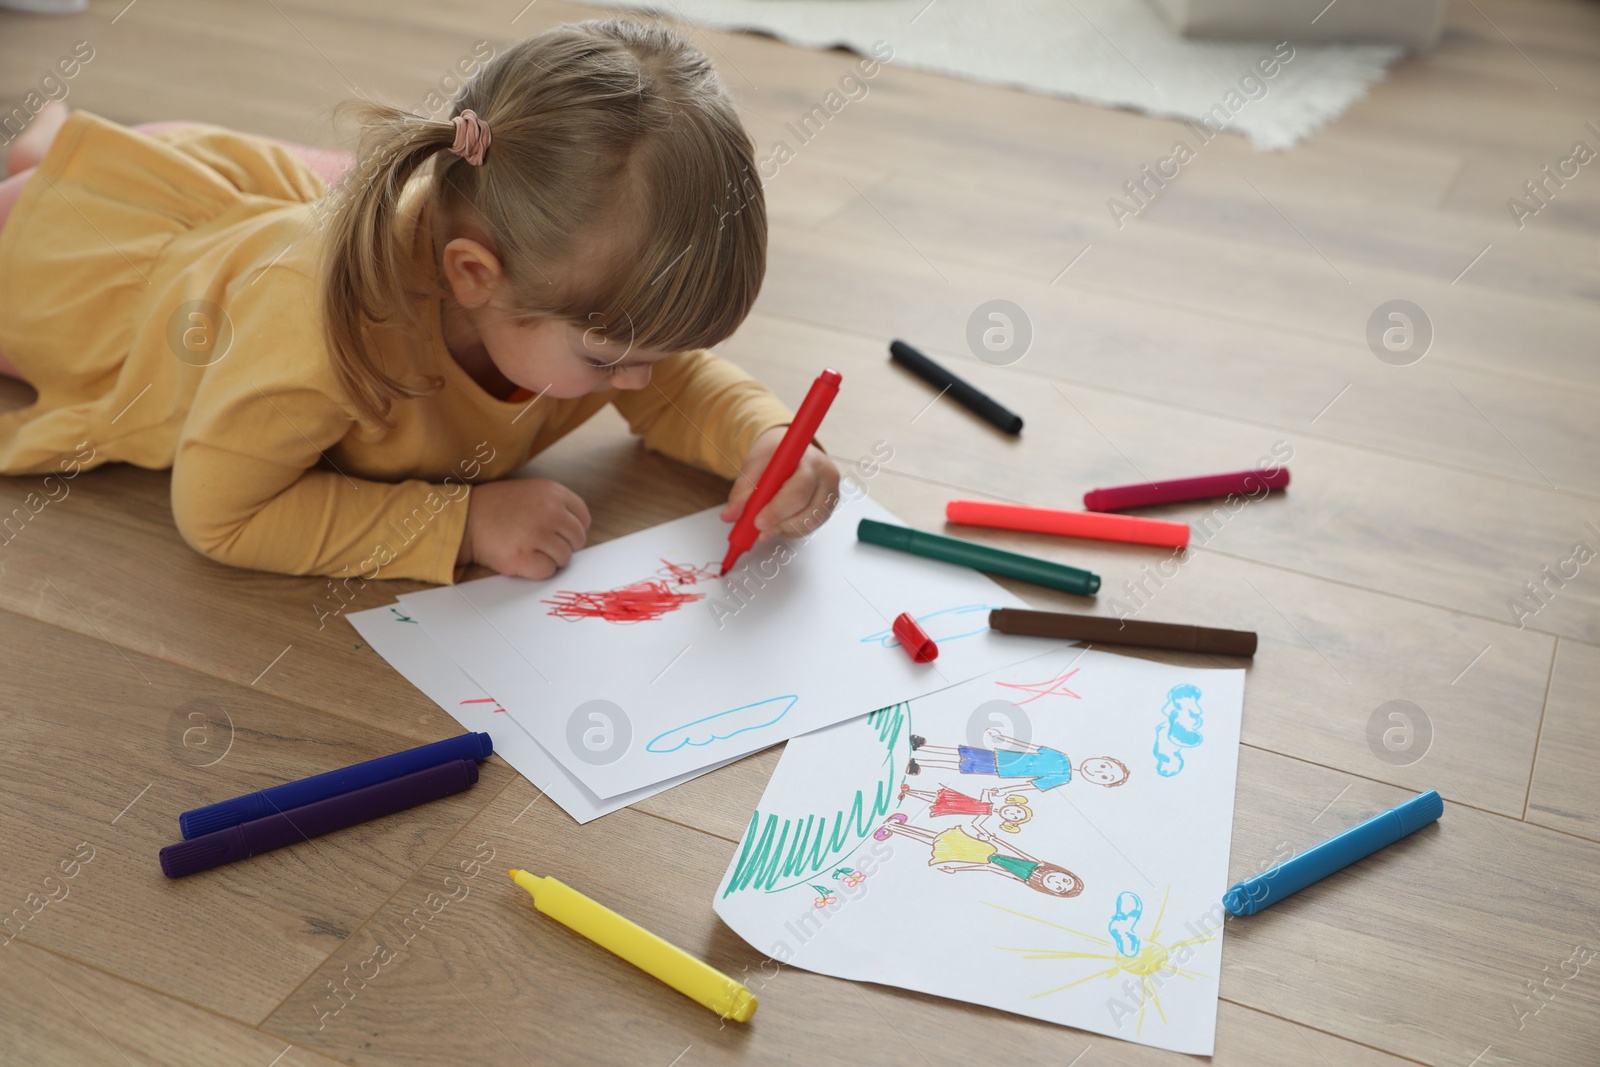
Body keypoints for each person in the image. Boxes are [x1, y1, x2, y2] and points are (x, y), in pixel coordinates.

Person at [0, 18, 839, 584]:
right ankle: (42, 153)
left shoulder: (561, 293)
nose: (642, 381)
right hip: (77, 273)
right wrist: (462, 524)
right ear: (475, 276)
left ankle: (49, 141)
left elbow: (671, 382)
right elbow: (219, 514)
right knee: (26, 202)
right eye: (614, 359)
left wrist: (759, 438)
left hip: (249, 205)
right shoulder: (319, 341)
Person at [873, 813, 1082, 897]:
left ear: (1051, 891)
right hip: (985, 849)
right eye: (1064, 880)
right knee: (937, 838)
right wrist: (992, 838)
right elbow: (1017, 851)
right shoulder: (1037, 864)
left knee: (936, 841)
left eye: (1060, 887)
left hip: (979, 857)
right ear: (1061, 871)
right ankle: (897, 827)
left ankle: (895, 828)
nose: (1058, 882)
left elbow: (988, 868)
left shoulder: (1025, 881)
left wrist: (957, 867)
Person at [904, 731, 1130, 791]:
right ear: (1102, 758)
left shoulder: (1063, 777)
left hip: (1003, 771)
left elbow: (1031, 784)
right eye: (1104, 766)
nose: (1098, 771)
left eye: (1104, 777)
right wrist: (1004, 739)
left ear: (1100, 784)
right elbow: (1031, 747)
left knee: (965, 765)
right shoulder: (1062, 756)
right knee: (966, 752)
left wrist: (1005, 791)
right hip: (1004, 756)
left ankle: (921, 764)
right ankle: (925, 746)